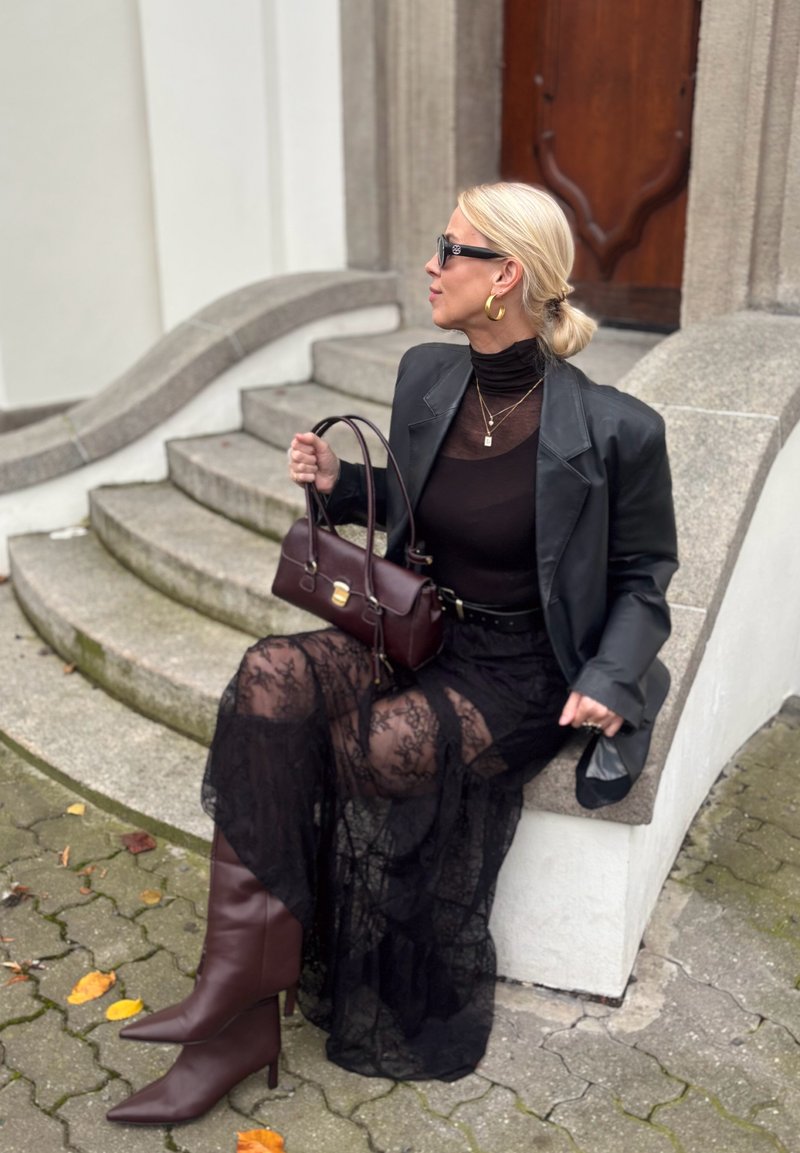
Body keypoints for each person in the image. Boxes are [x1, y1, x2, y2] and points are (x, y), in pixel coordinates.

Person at [107, 182, 678, 1126]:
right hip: (419, 626)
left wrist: (611, 679)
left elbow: (646, 572)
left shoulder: (616, 428)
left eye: (451, 248)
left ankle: (265, 998)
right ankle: (235, 1008)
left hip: (521, 666)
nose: (431, 263)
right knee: (270, 676)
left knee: (380, 747)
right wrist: (343, 484)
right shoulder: (424, 375)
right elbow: (421, 503)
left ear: (507, 277)